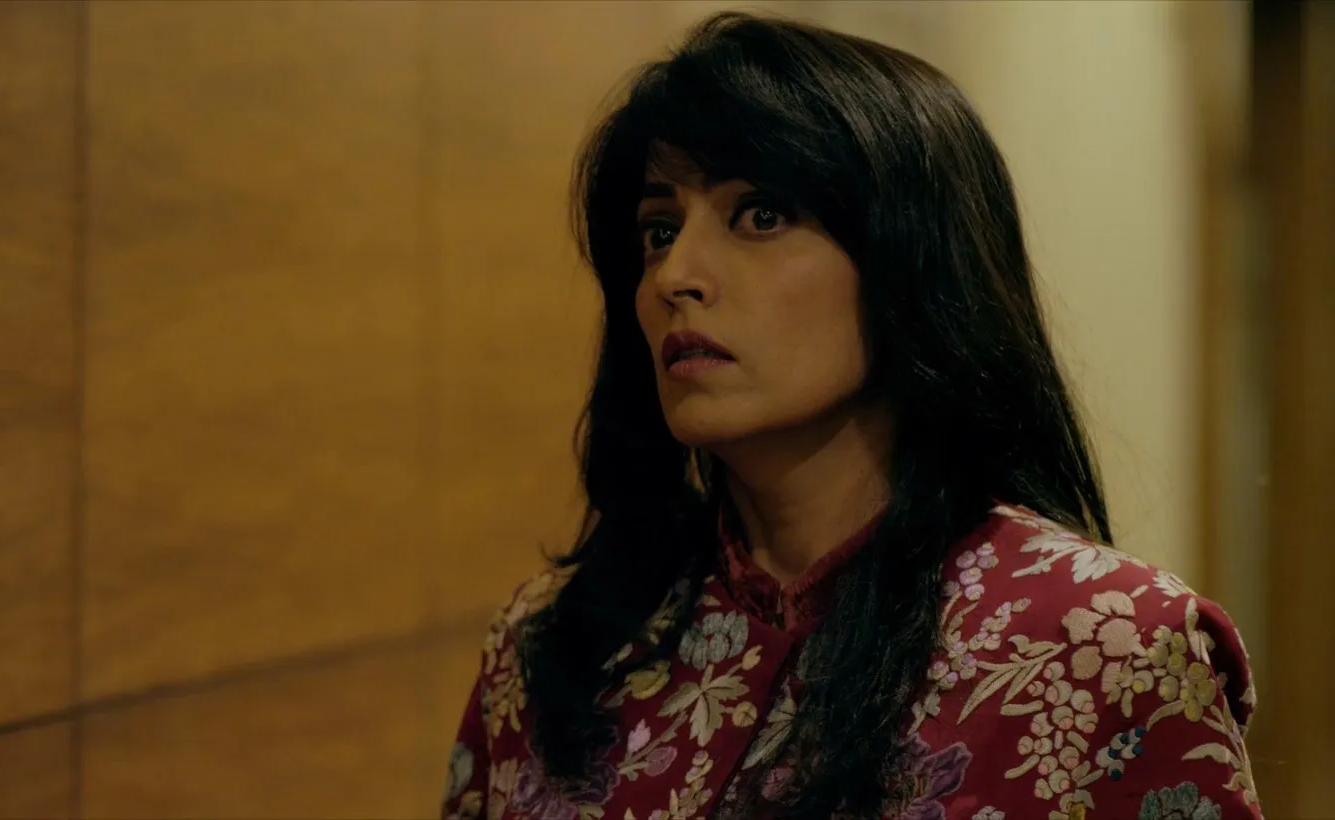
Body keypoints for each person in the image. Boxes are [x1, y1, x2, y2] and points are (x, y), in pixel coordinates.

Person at [440, 12, 1259, 820]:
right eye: (659, 229)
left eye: (760, 215)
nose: (674, 275)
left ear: (913, 259)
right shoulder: (554, 642)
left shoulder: (1106, 644)